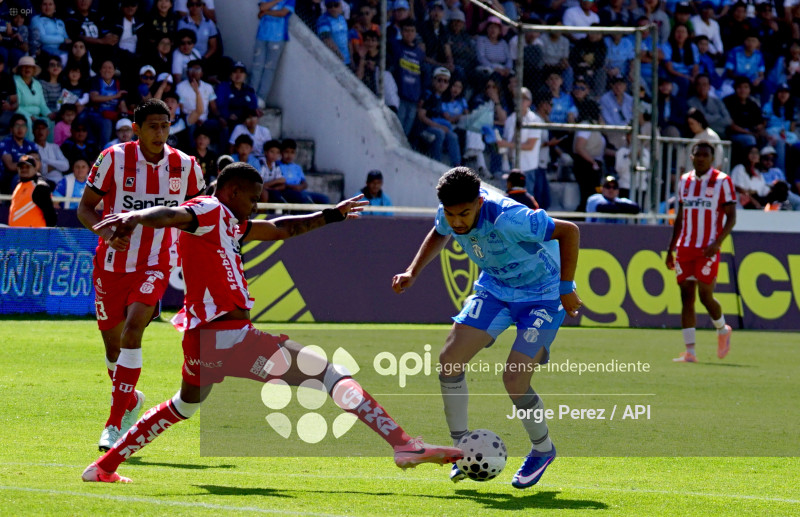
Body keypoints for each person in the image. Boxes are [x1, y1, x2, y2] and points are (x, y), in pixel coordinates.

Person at [82, 163, 462, 483]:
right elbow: (170, 214)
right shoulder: (210, 210)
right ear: (231, 191)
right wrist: (134, 217)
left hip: (201, 341)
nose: (255, 204)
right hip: (230, 337)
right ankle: (403, 444)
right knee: (331, 374)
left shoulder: (229, 222)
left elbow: (283, 228)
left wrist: (333, 213)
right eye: (251, 197)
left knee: (184, 405)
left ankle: (103, 466)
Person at [392, 166, 581, 489]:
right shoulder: (448, 214)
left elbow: (569, 231)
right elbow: (440, 231)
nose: (457, 222)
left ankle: (543, 449)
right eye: (451, 214)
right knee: (449, 361)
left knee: (514, 377)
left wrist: (566, 286)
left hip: (542, 296)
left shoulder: (510, 217)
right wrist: (413, 271)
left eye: (464, 214)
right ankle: (460, 449)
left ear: (480, 201)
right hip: (495, 289)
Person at [76, 99, 206, 452]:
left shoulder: (186, 165)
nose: (159, 133)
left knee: (135, 329)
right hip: (111, 265)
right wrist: (105, 233)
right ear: (136, 128)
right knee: (113, 349)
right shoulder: (113, 159)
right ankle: (130, 400)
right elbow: (85, 208)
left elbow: (200, 216)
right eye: (152, 126)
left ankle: (114, 425)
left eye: (164, 126)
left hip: (156, 262)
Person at [665, 142, 736, 363]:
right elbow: (680, 217)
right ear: (692, 157)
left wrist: (718, 242)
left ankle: (722, 329)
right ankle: (690, 352)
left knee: (705, 295)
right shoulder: (685, 181)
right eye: (698, 154)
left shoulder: (723, 181)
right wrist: (671, 248)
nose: (702, 158)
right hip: (685, 247)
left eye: (706, 155)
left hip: (708, 248)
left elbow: (731, 216)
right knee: (686, 296)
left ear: (712, 159)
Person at [252, 0, 295, 105]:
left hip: (277, 37)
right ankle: (251, 95)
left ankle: (261, 98)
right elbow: (262, 7)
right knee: (257, 66)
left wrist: (267, 12)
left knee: (269, 69)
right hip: (262, 35)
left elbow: (282, 13)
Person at [8, 155, 56, 227]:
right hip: (17, 235)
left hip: (34, 236)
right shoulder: (19, 185)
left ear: (34, 168)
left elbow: (50, 216)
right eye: (21, 167)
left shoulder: (39, 186)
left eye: (27, 167)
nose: (24, 169)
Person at [277, 138, 330, 204]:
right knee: (303, 198)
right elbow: (280, 183)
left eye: (292, 152)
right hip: (286, 191)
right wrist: (293, 187)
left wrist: (300, 187)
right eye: (286, 152)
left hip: (299, 190)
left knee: (324, 198)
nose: (289, 155)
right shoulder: (277, 165)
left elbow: (304, 183)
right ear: (281, 152)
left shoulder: (297, 167)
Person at [0, 113, 38, 194]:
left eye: (23, 126)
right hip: (8, 177)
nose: (20, 129)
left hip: (29, 175)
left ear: (27, 129)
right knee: (18, 178)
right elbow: (10, 166)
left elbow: (37, 164)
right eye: (17, 126)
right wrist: (28, 166)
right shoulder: (5, 143)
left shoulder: (31, 145)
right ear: (11, 129)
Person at [216, 62, 258, 131]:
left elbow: (254, 106)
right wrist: (228, 115)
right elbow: (220, 105)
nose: (238, 75)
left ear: (245, 76)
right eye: (235, 72)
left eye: (241, 72)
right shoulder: (223, 87)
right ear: (230, 75)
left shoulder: (249, 90)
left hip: (245, 120)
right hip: (229, 120)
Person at [32, 118, 69, 184]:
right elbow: (40, 170)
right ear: (33, 131)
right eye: (37, 128)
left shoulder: (54, 147)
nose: (40, 131)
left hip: (60, 181)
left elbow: (66, 166)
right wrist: (58, 166)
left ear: (48, 131)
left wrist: (47, 161)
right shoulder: (31, 147)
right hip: (42, 182)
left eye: (43, 128)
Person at [317, 0, 350, 66]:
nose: (333, 8)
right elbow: (326, 38)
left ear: (340, 5)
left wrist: (351, 59)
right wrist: (338, 54)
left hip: (346, 60)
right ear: (326, 7)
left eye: (336, 5)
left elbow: (347, 39)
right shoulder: (323, 20)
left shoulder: (342, 18)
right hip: (333, 60)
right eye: (330, 6)